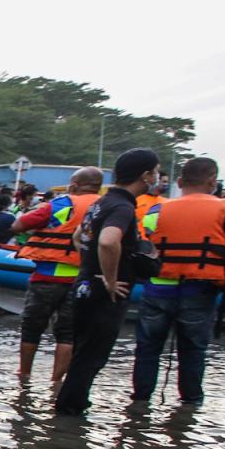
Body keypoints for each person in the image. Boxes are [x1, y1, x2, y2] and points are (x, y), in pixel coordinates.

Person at [133, 156, 225, 404]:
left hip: (158, 289)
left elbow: (146, 246)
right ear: (212, 181)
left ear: (179, 181)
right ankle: (189, 407)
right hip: (200, 289)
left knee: (147, 349)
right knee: (193, 351)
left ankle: (140, 403)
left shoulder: (157, 209)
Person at [55, 148, 161, 416]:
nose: (158, 177)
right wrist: (111, 280)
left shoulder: (101, 203)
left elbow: (79, 237)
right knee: (91, 357)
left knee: (83, 353)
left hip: (84, 285)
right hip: (105, 293)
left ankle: (70, 407)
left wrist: (91, 267)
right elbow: (107, 241)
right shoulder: (122, 207)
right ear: (146, 175)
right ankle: (71, 412)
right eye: (156, 172)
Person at [10, 167, 104, 383]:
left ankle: (24, 375)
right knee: (68, 334)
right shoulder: (104, 207)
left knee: (32, 328)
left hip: (47, 277)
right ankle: (57, 382)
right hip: (82, 280)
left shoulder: (62, 204)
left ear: (75, 185)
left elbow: (18, 225)